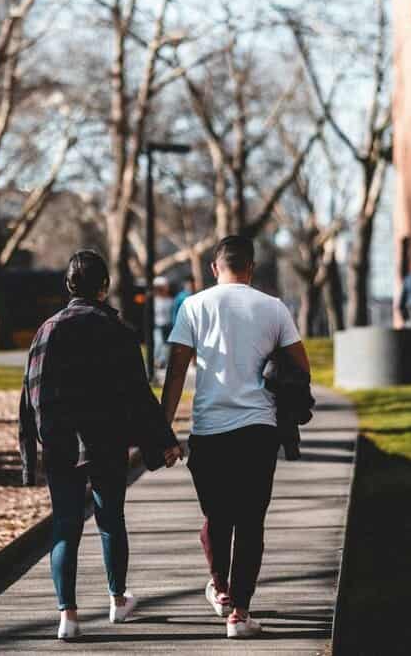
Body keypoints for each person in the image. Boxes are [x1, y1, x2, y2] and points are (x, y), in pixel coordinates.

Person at [19, 250, 182, 641]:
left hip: (60, 445)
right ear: (104, 288)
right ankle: (116, 599)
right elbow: (139, 395)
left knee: (65, 526)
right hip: (106, 443)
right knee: (111, 523)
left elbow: (30, 397)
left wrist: (30, 456)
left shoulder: (47, 331)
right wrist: (163, 441)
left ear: (69, 286)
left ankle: (67, 616)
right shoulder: (120, 332)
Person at [161, 235, 310, 640]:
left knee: (217, 517)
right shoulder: (273, 308)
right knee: (250, 522)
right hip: (259, 430)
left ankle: (221, 588)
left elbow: (176, 371)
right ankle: (240, 613)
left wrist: (164, 429)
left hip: (209, 431)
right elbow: (302, 367)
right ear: (251, 268)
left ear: (214, 268)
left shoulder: (193, 306)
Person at [153, 275, 173, 369]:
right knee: (158, 342)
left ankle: (162, 361)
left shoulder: (170, 300)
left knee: (167, 345)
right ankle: (156, 360)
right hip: (158, 325)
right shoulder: (154, 301)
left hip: (168, 324)